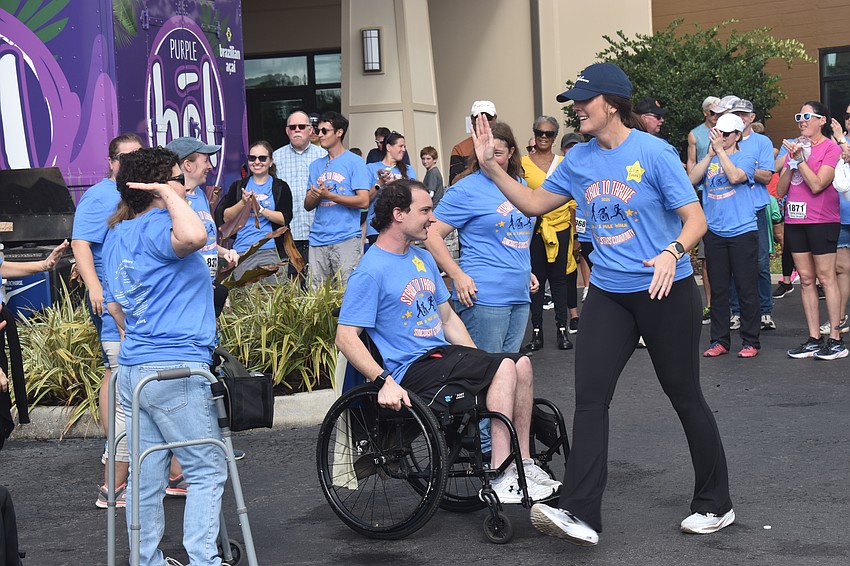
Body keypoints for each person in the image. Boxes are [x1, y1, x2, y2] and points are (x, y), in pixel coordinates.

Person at [469, 62, 734, 546]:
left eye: (583, 101)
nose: (576, 110)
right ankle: (581, 511)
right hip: (609, 292)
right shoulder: (579, 160)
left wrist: (672, 252)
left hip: (664, 289)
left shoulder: (653, 152)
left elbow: (695, 219)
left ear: (611, 104)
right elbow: (532, 203)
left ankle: (716, 503)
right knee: (591, 398)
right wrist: (490, 166)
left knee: (684, 395)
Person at [335, 178, 559, 504]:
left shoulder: (422, 258)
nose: (432, 218)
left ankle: (522, 464)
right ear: (398, 214)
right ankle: (501, 474)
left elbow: (449, 319)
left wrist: (482, 363)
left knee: (519, 364)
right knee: (503, 368)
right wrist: (382, 381)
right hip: (412, 369)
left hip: (442, 357)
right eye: (425, 210)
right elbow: (345, 337)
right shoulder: (371, 271)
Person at [102, 147, 225, 566]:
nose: (185, 184)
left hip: (136, 366)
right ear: (156, 188)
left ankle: (146, 561)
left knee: (147, 475)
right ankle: (204, 561)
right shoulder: (158, 223)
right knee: (207, 469)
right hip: (175, 367)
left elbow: (115, 306)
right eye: (177, 179)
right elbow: (194, 237)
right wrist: (169, 195)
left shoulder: (118, 234)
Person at [71, 133, 142, 508]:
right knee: (118, 376)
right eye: (125, 158)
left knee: (118, 373)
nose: (131, 164)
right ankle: (114, 469)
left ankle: (127, 459)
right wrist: (95, 288)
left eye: (138, 157)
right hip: (111, 303)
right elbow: (80, 243)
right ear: (111, 161)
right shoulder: (98, 195)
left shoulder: (138, 193)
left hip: (131, 302)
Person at [423, 121, 536, 355]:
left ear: (512, 152)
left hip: (519, 291)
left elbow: (515, 233)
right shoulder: (466, 189)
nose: (489, 158)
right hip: (484, 295)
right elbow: (430, 233)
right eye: (484, 152)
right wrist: (457, 275)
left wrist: (525, 268)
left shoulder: (519, 184)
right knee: (487, 370)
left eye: (497, 153)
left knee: (509, 367)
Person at [778, 101, 847, 360]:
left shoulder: (830, 148)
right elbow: (780, 190)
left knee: (826, 278)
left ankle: (836, 340)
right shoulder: (795, 148)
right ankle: (813, 338)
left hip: (822, 220)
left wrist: (801, 161)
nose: (802, 121)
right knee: (806, 279)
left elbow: (818, 184)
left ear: (822, 120)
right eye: (799, 116)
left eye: (807, 116)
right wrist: (792, 162)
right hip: (796, 221)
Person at [688, 113, 761, 358]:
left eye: (727, 134)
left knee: (746, 288)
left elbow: (735, 177)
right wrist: (710, 154)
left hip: (742, 231)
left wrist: (720, 152)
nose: (721, 137)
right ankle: (719, 340)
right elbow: (691, 180)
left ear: (738, 135)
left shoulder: (746, 157)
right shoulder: (711, 157)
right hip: (715, 232)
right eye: (718, 132)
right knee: (718, 290)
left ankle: (751, 341)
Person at [522, 116, 577, 350]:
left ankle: (562, 330)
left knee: (559, 279)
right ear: (534, 134)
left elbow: (573, 200)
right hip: (535, 229)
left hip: (561, 227)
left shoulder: (564, 163)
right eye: (540, 133)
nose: (544, 137)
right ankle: (537, 332)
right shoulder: (522, 164)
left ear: (555, 137)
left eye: (549, 133)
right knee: (536, 280)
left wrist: (575, 236)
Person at [726, 99, 777, 331]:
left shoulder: (762, 141)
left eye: (744, 114)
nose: (741, 118)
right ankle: (737, 312)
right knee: (734, 264)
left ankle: (765, 311)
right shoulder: (725, 139)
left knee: (761, 262)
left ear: (752, 117)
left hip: (756, 208)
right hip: (732, 209)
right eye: (736, 113)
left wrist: (741, 169)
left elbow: (767, 176)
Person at [305, 111, 371, 288]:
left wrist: (330, 196)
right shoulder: (315, 165)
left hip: (346, 238)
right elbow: (307, 205)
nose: (319, 135)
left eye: (324, 131)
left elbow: (364, 201)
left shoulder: (355, 162)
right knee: (316, 297)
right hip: (318, 239)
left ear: (339, 132)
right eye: (318, 131)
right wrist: (315, 194)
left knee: (348, 292)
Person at [219, 140, 293, 282]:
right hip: (243, 251)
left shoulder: (280, 187)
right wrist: (243, 203)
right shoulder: (238, 186)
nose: (257, 162)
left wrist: (261, 209)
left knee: (273, 293)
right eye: (252, 158)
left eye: (262, 158)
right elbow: (225, 217)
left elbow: (285, 219)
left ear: (270, 162)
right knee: (246, 294)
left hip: (271, 250)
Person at [272, 110, 328, 281]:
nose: (297, 130)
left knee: (317, 285)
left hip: (317, 234)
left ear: (310, 130)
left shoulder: (323, 156)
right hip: (287, 235)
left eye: (302, 126)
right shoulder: (276, 157)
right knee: (290, 285)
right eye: (293, 127)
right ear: (287, 131)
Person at [687, 96, 724, 324]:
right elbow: (691, 163)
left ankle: (732, 305)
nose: (717, 116)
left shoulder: (729, 131)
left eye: (720, 112)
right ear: (705, 114)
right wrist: (691, 193)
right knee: (706, 254)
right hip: (704, 193)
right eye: (713, 113)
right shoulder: (695, 134)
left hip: (727, 191)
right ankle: (710, 304)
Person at [364, 131, 416, 244]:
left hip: (404, 226)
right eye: (400, 146)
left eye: (404, 146)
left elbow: (415, 197)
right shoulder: (371, 168)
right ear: (388, 147)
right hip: (377, 227)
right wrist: (380, 182)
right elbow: (365, 200)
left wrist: (396, 185)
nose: (404, 150)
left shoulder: (408, 170)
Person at [449, 101, 497, 184]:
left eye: (488, 117)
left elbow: (517, 175)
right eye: (478, 117)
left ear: (495, 119)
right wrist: (476, 164)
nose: (483, 120)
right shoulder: (460, 149)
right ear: (472, 119)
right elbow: (454, 182)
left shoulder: (505, 145)